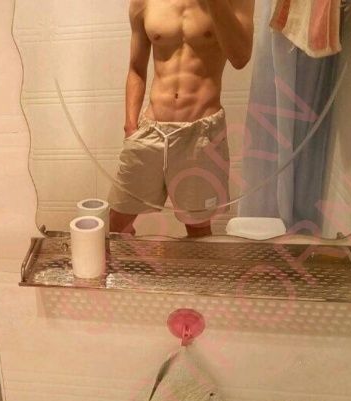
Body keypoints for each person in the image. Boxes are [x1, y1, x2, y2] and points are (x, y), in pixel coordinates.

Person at [108, 0, 255, 237]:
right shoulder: (143, 3)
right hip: (150, 130)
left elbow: (240, 58)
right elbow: (136, 68)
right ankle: (133, 263)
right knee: (117, 222)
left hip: (201, 132)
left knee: (198, 229)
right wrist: (130, 126)